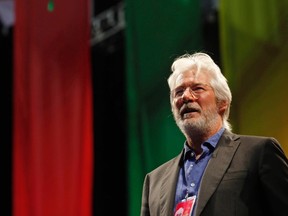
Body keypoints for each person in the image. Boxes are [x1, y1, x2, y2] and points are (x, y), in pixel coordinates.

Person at [140, 52, 288, 216]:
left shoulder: (258, 153)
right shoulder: (153, 182)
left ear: (222, 103)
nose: (186, 96)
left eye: (197, 88)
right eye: (179, 92)